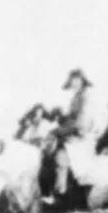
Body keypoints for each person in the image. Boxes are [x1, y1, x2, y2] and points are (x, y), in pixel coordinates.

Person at [41, 68, 98, 203]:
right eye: (72, 81)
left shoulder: (86, 97)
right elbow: (71, 118)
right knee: (48, 150)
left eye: (77, 80)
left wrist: (59, 130)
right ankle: (50, 190)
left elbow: (81, 121)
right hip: (73, 131)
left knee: (60, 152)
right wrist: (61, 117)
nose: (74, 84)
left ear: (82, 81)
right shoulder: (76, 97)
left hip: (81, 134)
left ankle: (60, 190)